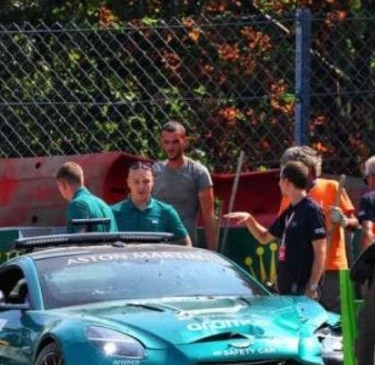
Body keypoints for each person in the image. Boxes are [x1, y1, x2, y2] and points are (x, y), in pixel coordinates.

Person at [226, 161, 326, 300]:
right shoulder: (289, 211)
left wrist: (313, 286)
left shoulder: (311, 210)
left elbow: (320, 251)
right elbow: (264, 237)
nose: (278, 184)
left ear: (286, 181)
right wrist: (250, 220)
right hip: (287, 284)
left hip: (302, 287)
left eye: (280, 179)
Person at [278, 146, 357, 312]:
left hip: (331, 266)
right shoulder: (289, 196)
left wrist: (343, 220)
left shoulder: (332, 187)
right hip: (301, 270)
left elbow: (355, 224)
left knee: (333, 319)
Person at [151, 121, 218, 251]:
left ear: (185, 142)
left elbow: (208, 219)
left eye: (175, 142)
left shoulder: (198, 172)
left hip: (186, 247)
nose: (170, 147)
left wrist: (213, 252)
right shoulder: (154, 171)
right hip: (157, 245)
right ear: (162, 143)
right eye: (166, 142)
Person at [111, 162, 190, 245]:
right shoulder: (114, 212)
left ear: (153, 182)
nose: (141, 186)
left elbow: (186, 244)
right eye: (136, 182)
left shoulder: (166, 212)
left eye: (146, 181)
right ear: (128, 183)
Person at [55, 161, 118, 233]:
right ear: (81, 180)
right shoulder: (103, 204)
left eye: (58, 186)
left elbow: (80, 240)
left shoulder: (77, 205)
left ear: (64, 185)